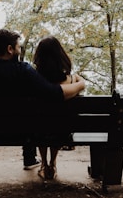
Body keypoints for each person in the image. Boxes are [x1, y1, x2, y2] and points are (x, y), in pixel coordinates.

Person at [0, 29, 85, 170]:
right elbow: (55, 93)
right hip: (19, 134)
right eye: (18, 47)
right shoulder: (24, 72)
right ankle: (31, 159)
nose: (20, 50)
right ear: (10, 49)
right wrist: (80, 84)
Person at [33, 36, 79, 179]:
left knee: (40, 125)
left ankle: (44, 164)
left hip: (37, 131)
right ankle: (52, 164)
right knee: (58, 123)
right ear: (61, 55)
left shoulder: (34, 80)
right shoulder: (71, 81)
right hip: (62, 132)